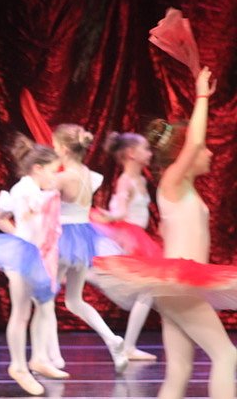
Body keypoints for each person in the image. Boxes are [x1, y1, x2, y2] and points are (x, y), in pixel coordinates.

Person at [96, 67, 237, 399]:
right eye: (203, 150)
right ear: (185, 155)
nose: (209, 153)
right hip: (180, 285)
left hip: (179, 286)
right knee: (227, 355)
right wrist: (202, 95)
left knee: (180, 370)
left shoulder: (184, 189)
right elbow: (196, 140)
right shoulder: (174, 182)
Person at [0, 134, 64, 395]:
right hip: (24, 256)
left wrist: (23, 235)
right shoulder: (25, 190)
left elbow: (2, 218)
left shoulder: (33, 189)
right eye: (52, 171)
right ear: (38, 168)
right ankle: (18, 366)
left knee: (44, 307)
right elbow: (7, 216)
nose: (54, 177)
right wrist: (21, 239)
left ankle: (39, 358)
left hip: (35, 253)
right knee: (21, 312)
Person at [52, 123, 127, 373]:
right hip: (84, 238)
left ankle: (53, 358)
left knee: (45, 300)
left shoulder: (62, 178)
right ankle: (112, 339)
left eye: (55, 146)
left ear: (63, 149)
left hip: (64, 238)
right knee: (74, 300)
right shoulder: (89, 175)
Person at [98, 131, 158, 360]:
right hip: (127, 239)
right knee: (146, 292)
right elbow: (122, 209)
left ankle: (129, 347)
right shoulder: (125, 181)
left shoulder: (141, 180)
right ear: (132, 153)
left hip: (137, 238)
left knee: (147, 293)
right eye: (146, 149)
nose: (150, 153)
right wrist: (112, 216)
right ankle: (128, 347)